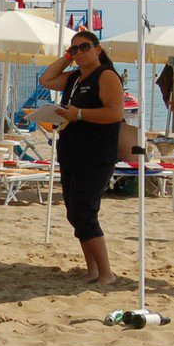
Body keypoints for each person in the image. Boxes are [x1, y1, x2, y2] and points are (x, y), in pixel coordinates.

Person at [39, 30, 125, 286]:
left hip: (95, 154)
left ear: (98, 49)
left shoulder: (106, 75)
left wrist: (78, 115)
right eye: (74, 49)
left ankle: (106, 273)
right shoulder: (75, 77)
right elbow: (46, 79)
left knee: (85, 213)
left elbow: (114, 113)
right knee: (74, 213)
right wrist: (67, 57)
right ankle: (93, 270)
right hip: (71, 152)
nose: (79, 53)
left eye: (84, 47)